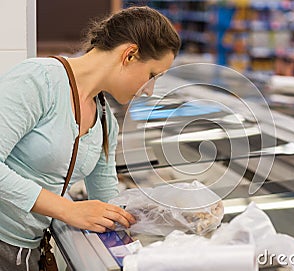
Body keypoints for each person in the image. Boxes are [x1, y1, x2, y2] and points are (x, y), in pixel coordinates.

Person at [0, 6, 181, 271]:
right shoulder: (39, 80)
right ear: (129, 55)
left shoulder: (106, 121)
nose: (150, 91)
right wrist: (68, 210)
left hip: (27, 251)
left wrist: (166, 214)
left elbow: (109, 202)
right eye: (151, 75)